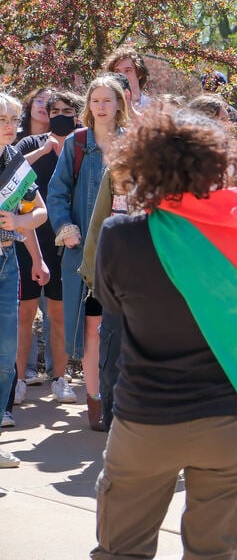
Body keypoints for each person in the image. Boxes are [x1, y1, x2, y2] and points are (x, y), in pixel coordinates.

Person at [90, 108, 237, 557]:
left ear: (143, 163)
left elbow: (113, 304)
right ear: (219, 161)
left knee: (121, 551)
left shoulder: (122, 235)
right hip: (230, 420)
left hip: (144, 420)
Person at [47, 77, 130, 430]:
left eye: (107, 100)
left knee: (127, 329)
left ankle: (124, 401)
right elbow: (56, 192)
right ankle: (96, 402)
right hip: (88, 253)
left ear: (119, 104)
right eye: (95, 100)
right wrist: (66, 228)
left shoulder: (133, 143)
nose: (100, 106)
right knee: (94, 328)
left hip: (128, 252)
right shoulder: (77, 144)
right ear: (89, 105)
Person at [12, 91, 82, 409]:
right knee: (25, 313)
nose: (61, 115)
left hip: (65, 241)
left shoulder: (83, 146)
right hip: (28, 238)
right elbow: (11, 171)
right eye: (55, 110)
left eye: (68, 110)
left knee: (58, 314)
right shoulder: (30, 143)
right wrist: (43, 151)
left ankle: (60, 377)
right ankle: (19, 380)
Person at [0, 91, 50, 467]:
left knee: (4, 355)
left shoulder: (15, 162)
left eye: (12, 120)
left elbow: (40, 213)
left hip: (6, 262)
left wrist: (20, 222)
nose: (8, 126)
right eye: (2, 118)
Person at [102, 46, 150, 112]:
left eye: (128, 70)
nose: (122, 75)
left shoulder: (150, 106)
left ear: (139, 74)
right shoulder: (105, 106)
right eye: (117, 71)